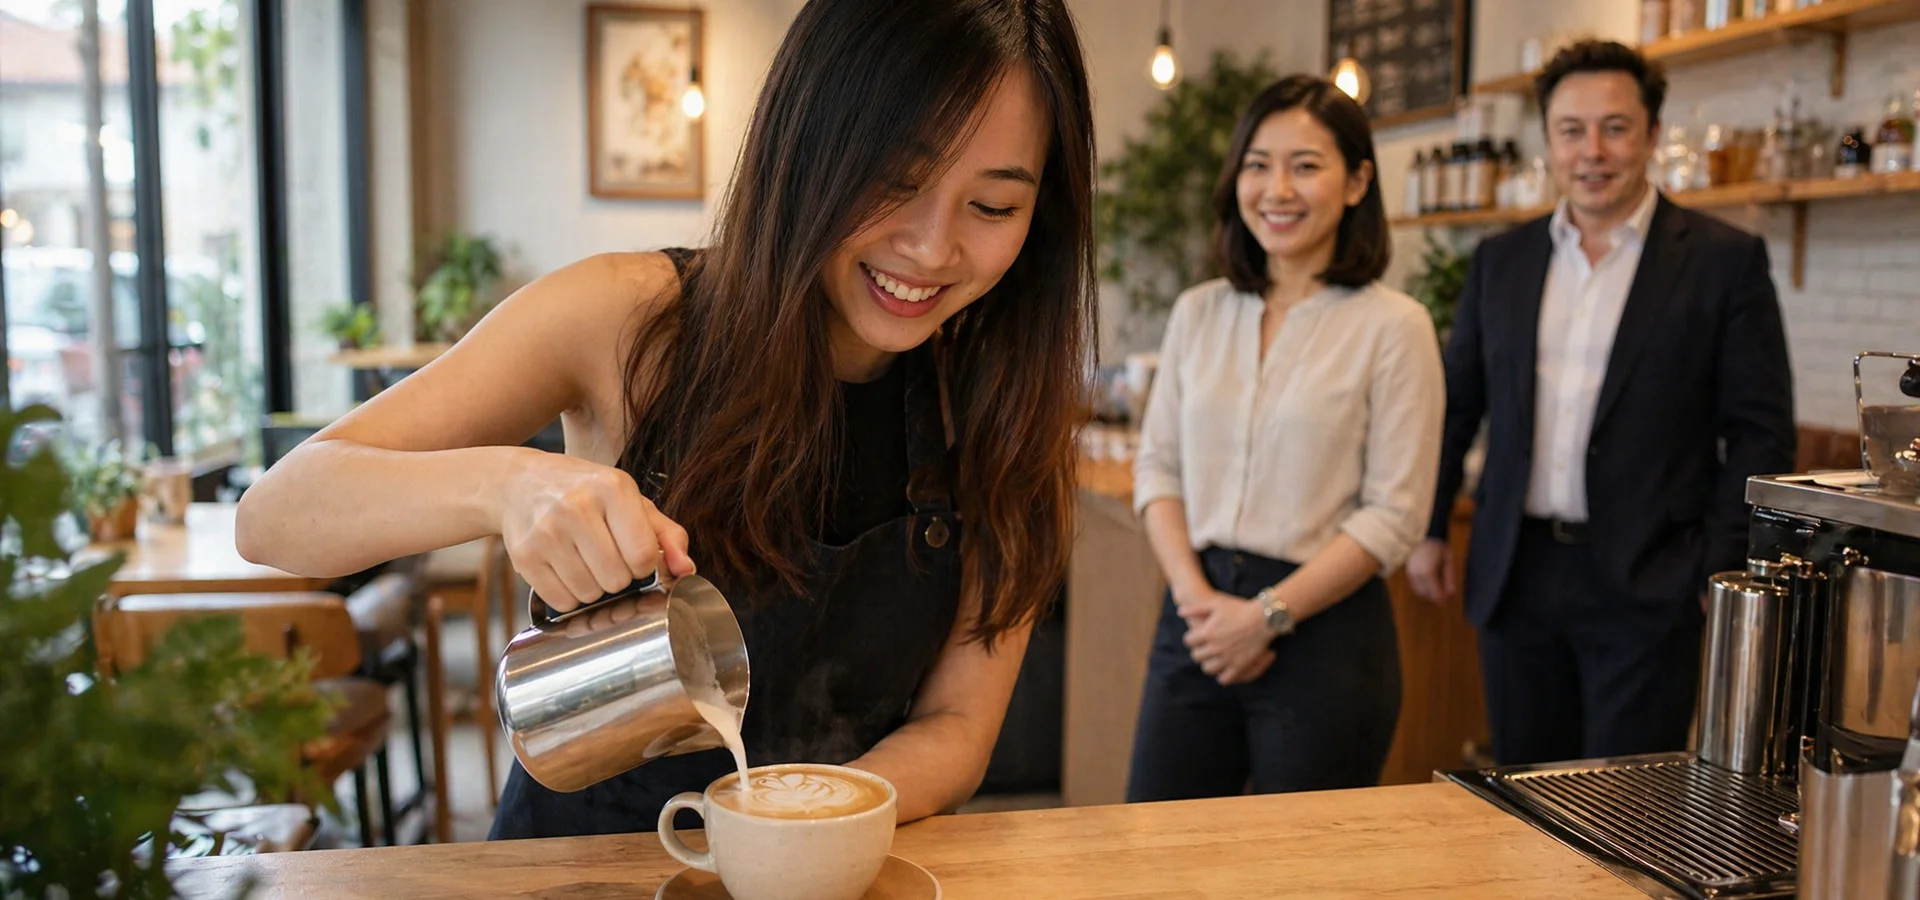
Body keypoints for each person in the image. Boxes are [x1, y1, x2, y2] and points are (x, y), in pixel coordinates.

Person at [234, 0, 1097, 837]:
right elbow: (277, 516)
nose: (932, 246)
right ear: (806, 145)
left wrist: (797, 825)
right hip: (576, 865)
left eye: (992, 206)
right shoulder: (631, 320)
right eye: (897, 180)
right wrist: (506, 486)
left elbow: (958, 726)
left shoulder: (1004, 411)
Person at [1404, 40, 1796, 765]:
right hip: (1516, 573)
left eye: (1614, 128)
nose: (1593, 151)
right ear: (1547, 140)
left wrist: (1722, 564)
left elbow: (1759, 432)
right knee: (1523, 798)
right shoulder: (1502, 260)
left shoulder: (1722, 261)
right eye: (1570, 129)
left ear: (1650, 134)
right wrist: (1427, 525)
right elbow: (1458, 402)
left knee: (1625, 812)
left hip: (1651, 582)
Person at [1125, 75, 1445, 801]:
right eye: (1258, 164)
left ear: (1358, 180)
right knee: (1152, 855)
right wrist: (1198, 603)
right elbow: (1158, 468)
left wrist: (1267, 615)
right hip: (1197, 615)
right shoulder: (1199, 311)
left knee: (1301, 871)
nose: (1277, 189)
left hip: (1325, 636)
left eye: (1306, 165)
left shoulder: (1394, 326)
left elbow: (1395, 514)